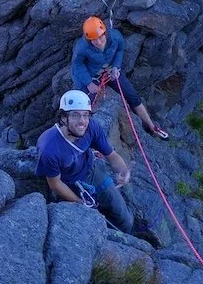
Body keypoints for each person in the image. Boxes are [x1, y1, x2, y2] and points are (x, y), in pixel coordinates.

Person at [35, 90, 134, 233]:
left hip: (92, 172)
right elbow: (55, 184)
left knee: (126, 221)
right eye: (75, 115)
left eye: (85, 115)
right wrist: (79, 202)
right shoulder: (49, 148)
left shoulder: (91, 127)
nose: (82, 121)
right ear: (63, 117)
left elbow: (111, 155)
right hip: (70, 184)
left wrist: (122, 171)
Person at [72, 16, 169, 140]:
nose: (99, 42)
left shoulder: (115, 37)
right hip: (90, 75)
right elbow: (77, 65)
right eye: (94, 40)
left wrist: (116, 67)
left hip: (109, 71)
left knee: (133, 97)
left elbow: (120, 49)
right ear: (88, 40)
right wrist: (88, 83)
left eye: (101, 37)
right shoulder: (82, 47)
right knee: (83, 105)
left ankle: (152, 127)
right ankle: (79, 135)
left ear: (105, 33)